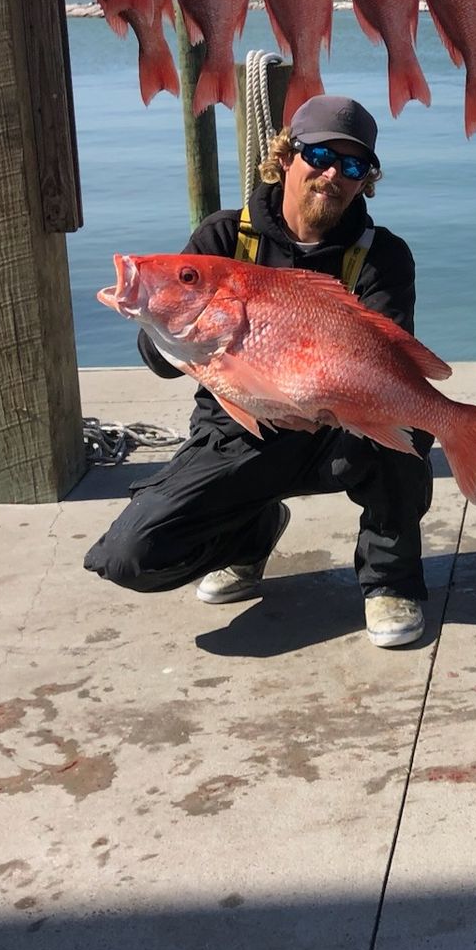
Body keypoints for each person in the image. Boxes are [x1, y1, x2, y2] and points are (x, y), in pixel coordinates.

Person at [83, 95, 432, 649]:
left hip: (340, 425)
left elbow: (389, 355)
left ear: (366, 180)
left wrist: (315, 399)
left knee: (404, 431)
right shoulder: (223, 239)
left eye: (352, 166)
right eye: (318, 154)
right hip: (239, 429)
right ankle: (248, 533)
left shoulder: (382, 254)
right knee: (128, 559)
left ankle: (391, 582)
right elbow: (160, 363)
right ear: (286, 156)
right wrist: (164, 326)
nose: (331, 174)